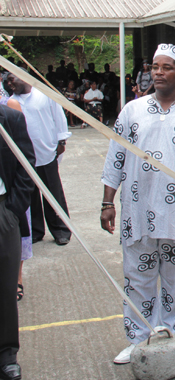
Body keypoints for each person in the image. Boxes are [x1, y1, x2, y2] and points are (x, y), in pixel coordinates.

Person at [100, 44, 175, 364]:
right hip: (137, 211)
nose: (157, 72)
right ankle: (138, 339)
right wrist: (107, 202)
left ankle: (171, 334)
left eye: (166, 67)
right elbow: (116, 155)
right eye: (155, 66)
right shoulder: (132, 111)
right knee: (136, 277)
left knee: (174, 278)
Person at [7, 71, 73, 245]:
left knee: (53, 192)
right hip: (24, 157)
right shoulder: (11, 101)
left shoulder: (44, 94)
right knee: (30, 195)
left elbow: (58, 116)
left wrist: (61, 141)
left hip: (47, 152)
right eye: (8, 82)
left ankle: (61, 230)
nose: (10, 83)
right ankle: (36, 231)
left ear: (24, 78)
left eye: (12, 79)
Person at [0, 99, 35, 380]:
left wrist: (12, 209)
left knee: (4, 284)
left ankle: (6, 353)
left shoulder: (10, 119)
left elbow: (26, 166)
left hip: (3, 209)